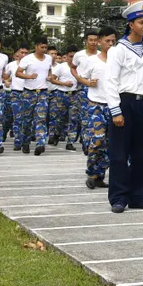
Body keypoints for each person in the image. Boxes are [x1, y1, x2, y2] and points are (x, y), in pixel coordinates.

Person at [102, 2, 143, 213]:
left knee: (141, 153)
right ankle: (118, 197)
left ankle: (138, 195)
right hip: (125, 102)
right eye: (141, 22)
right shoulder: (118, 50)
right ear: (131, 24)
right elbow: (110, 81)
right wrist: (115, 110)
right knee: (119, 153)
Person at [77, 27, 115, 190]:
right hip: (96, 105)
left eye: (113, 41)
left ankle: (100, 175)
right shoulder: (91, 61)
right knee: (97, 140)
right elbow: (79, 76)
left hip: (113, 106)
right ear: (100, 42)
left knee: (109, 143)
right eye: (107, 41)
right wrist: (87, 82)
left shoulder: (118, 60)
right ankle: (91, 172)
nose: (111, 44)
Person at [16, 38, 54, 155]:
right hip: (29, 93)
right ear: (36, 46)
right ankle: (25, 142)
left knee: (41, 118)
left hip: (42, 92)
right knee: (27, 120)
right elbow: (18, 73)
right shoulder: (27, 59)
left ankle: (40, 143)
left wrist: (50, 77)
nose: (44, 50)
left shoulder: (48, 58)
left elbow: (49, 72)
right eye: (41, 47)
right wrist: (29, 76)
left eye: (45, 48)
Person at [71, 32, 100, 155]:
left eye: (95, 40)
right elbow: (72, 67)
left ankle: (93, 141)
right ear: (86, 41)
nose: (93, 43)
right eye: (91, 40)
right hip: (83, 87)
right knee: (85, 116)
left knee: (96, 115)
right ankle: (86, 142)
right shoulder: (79, 55)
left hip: (98, 87)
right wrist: (79, 78)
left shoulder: (101, 55)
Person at [48, 49, 77, 149]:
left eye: (74, 56)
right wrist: (64, 83)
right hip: (62, 94)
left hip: (75, 95)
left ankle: (70, 142)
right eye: (70, 56)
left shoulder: (80, 67)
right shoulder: (61, 67)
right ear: (67, 56)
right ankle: (56, 133)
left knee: (73, 118)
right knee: (60, 118)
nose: (72, 59)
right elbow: (52, 79)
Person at [4, 45, 28, 149]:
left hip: (28, 93)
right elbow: (5, 76)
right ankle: (18, 141)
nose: (23, 55)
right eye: (21, 52)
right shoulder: (11, 65)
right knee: (17, 117)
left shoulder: (31, 64)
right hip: (15, 93)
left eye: (26, 53)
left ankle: (25, 140)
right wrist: (6, 81)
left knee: (27, 118)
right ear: (16, 54)